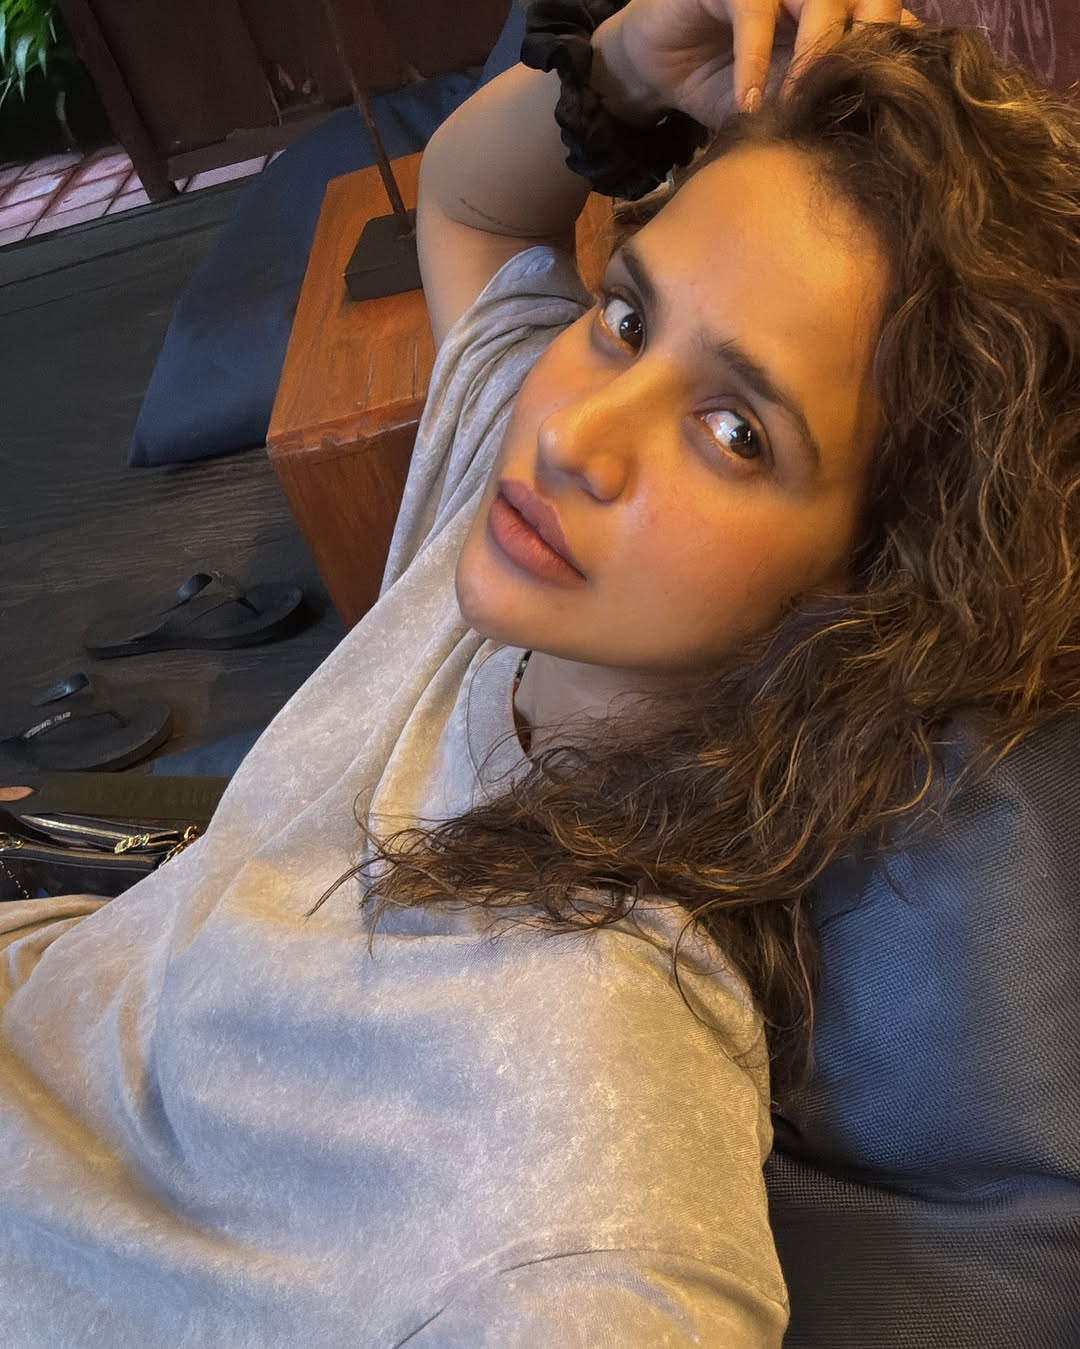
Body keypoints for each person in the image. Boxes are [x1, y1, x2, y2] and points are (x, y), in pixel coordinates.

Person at [1, 2, 1077, 1345]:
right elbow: (470, 203)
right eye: (627, 316)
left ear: (870, 585)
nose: (576, 434)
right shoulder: (517, 542)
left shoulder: (581, 1090)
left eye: (736, 432)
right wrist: (622, 69)